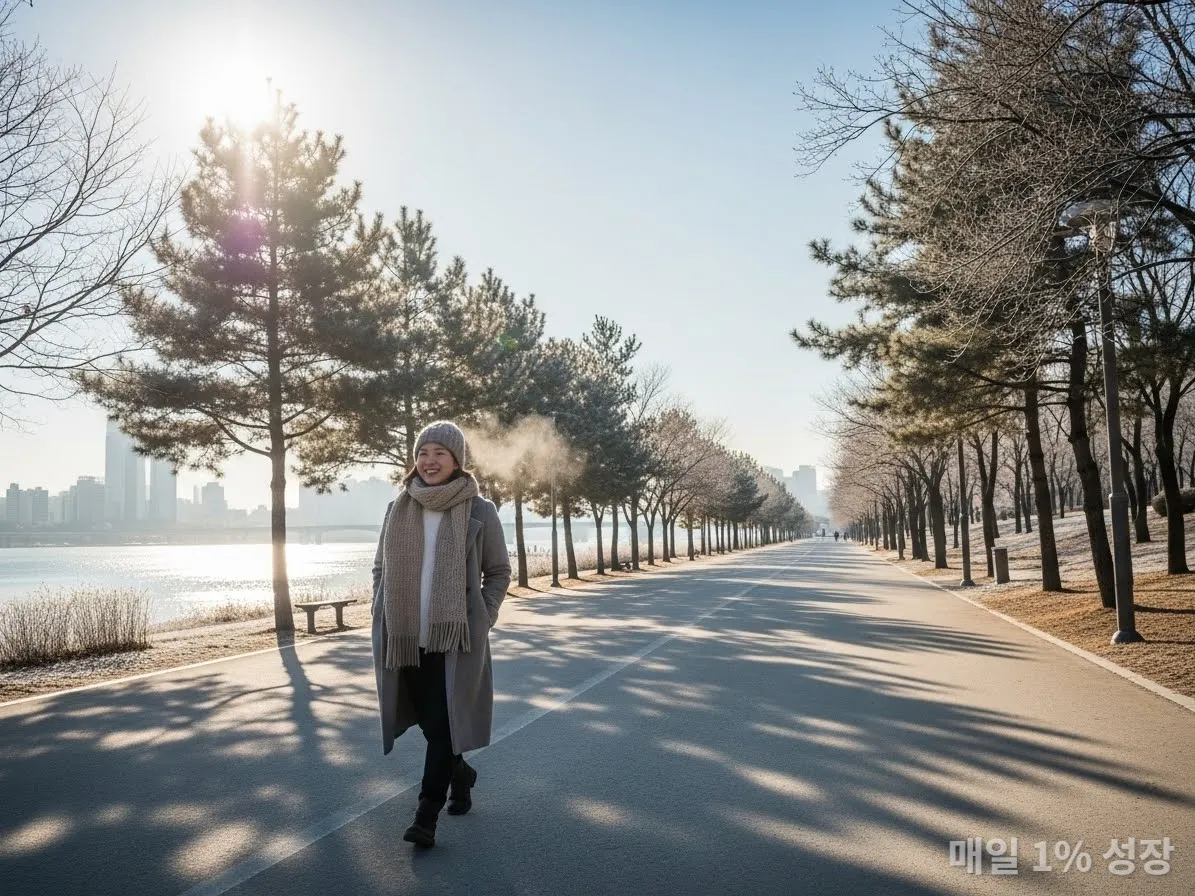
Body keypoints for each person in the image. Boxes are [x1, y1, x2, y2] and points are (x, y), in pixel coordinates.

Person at [371, 420, 511, 848]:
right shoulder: (399, 507)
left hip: (456, 639)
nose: (428, 462)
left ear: (457, 461)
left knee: (445, 724)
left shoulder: (479, 510)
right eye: (422, 453)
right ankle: (461, 775)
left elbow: (499, 572)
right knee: (434, 725)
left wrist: (482, 617)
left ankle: (426, 814)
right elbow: (380, 567)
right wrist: (381, 604)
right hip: (406, 635)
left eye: (439, 454)